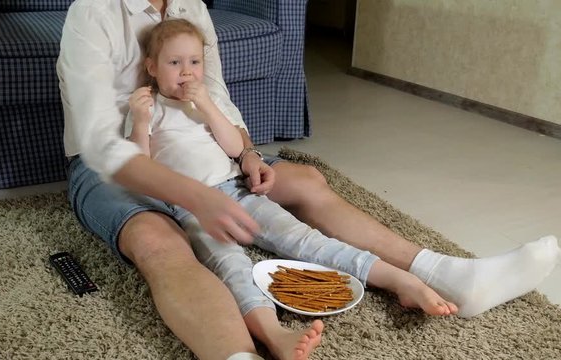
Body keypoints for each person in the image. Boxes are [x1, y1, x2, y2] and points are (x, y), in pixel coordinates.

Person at [57, 1, 561, 359]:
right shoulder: (94, 12)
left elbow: (217, 100)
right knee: (162, 242)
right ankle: (241, 351)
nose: (185, 69)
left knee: (305, 182)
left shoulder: (191, 7)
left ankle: (447, 275)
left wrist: (249, 154)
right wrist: (192, 195)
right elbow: (104, 143)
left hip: (211, 163)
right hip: (116, 164)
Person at [128, 18, 463, 360]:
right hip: (192, 206)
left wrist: (209, 107)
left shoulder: (206, 102)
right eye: (174, 63)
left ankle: (396, 279)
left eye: (194, 62)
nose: (187, 72)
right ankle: (274, 335)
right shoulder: (148, 107)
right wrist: (140, 122)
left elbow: (233, 147)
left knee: (301, 237)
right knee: (231, 264)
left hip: (237, 189)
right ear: (152, 67)